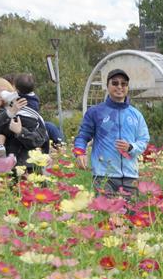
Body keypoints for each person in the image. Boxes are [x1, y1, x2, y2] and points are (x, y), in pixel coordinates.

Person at [73, 69, 150, 198]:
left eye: (123, 84)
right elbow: (83, 135)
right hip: (104, 175)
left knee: (129, 216)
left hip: (130, 176)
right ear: (107, 86)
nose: (119, 87)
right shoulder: (96, 112)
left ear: (127, 87)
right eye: (115, 83)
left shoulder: (136, 115)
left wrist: (131, 147)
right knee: (108, 216)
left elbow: (144, 140)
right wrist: (80, 152)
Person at [0, 78, 48, 171]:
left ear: (3, 88)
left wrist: (21, 132)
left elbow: (40, 140)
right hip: (6, 171)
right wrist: (9, 113)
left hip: (29, 168)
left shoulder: (29, 111)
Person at [12, 73, 64, 152]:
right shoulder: (34, 98)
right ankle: (58, 145)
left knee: (49, 127)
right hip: (32, 123)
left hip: (24, 122)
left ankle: (58, 145)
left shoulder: (18, 98)